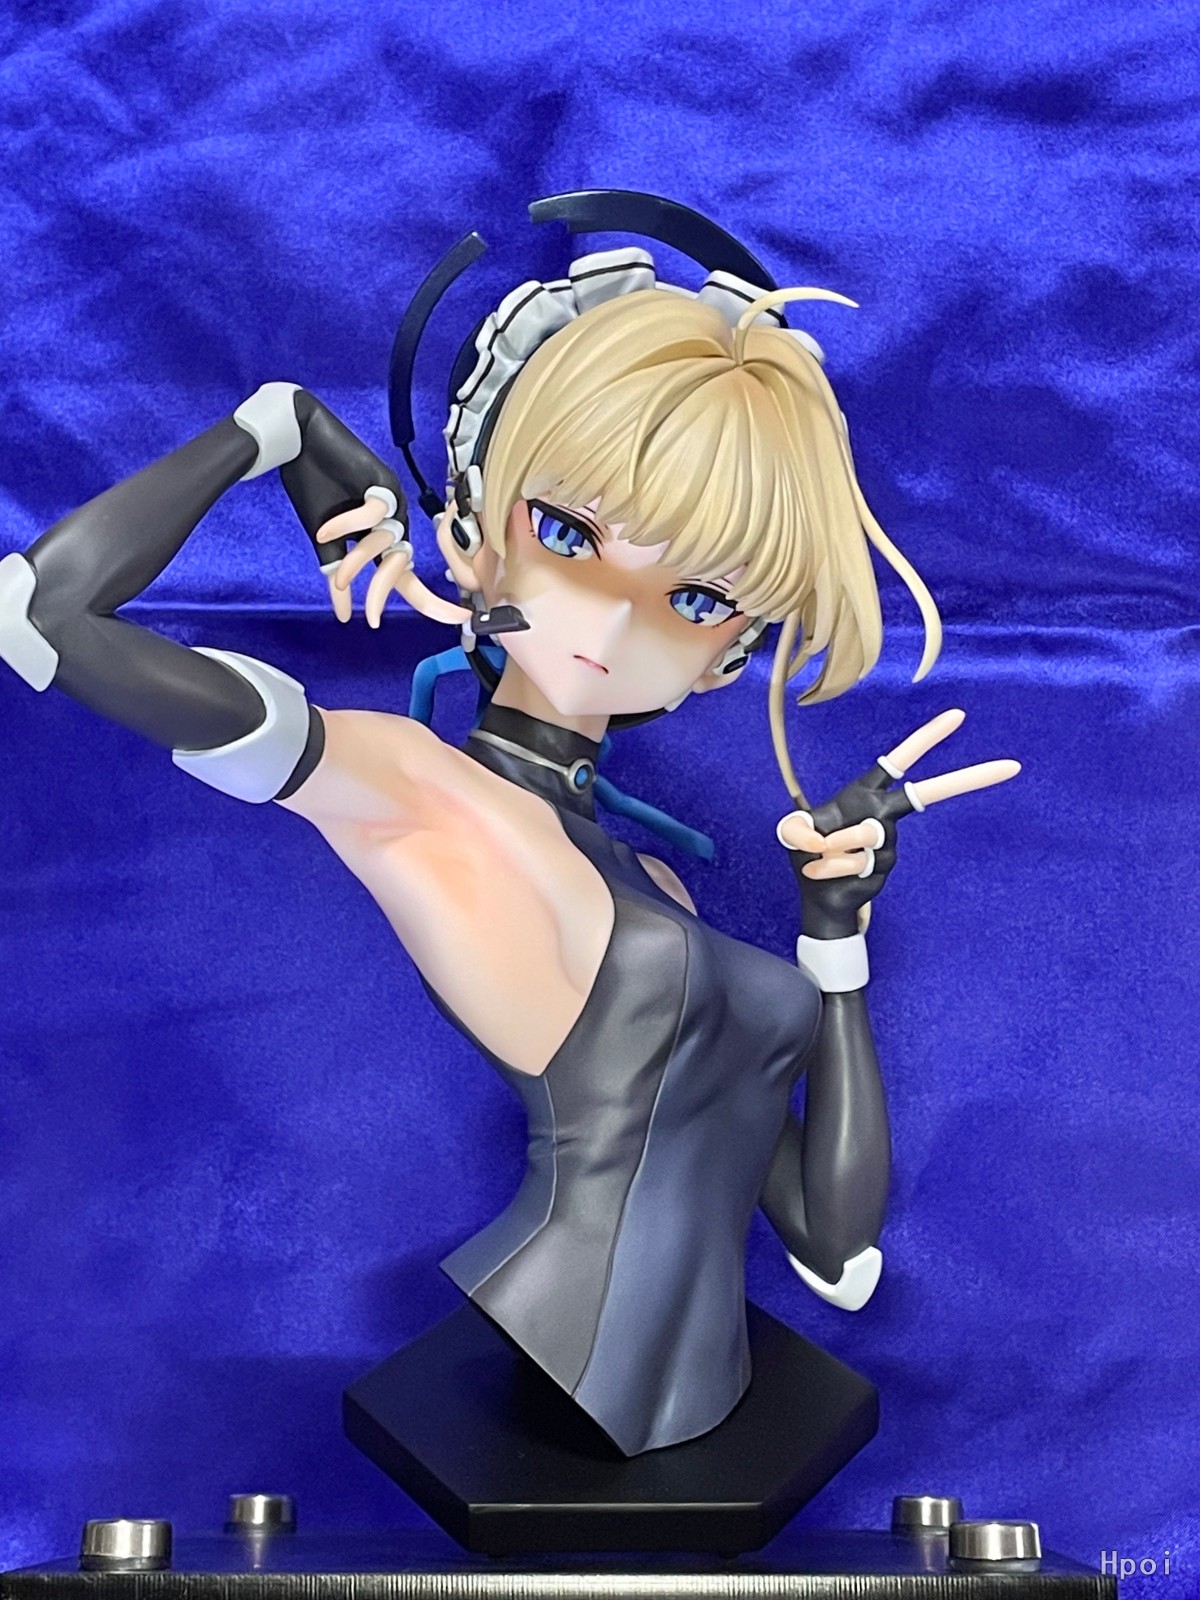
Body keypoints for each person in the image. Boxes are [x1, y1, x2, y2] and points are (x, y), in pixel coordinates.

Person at [0, 217, 1017, 1457]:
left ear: (726, 656)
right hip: (556, 1348)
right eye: (570, 533)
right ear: (477, 529)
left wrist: (836, 935)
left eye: (696, 596)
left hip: (712, 1411)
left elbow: (836, 1249)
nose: (611, 617)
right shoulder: (409, 781)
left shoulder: (654, 875)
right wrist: (275, 431)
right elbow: (43, 616)